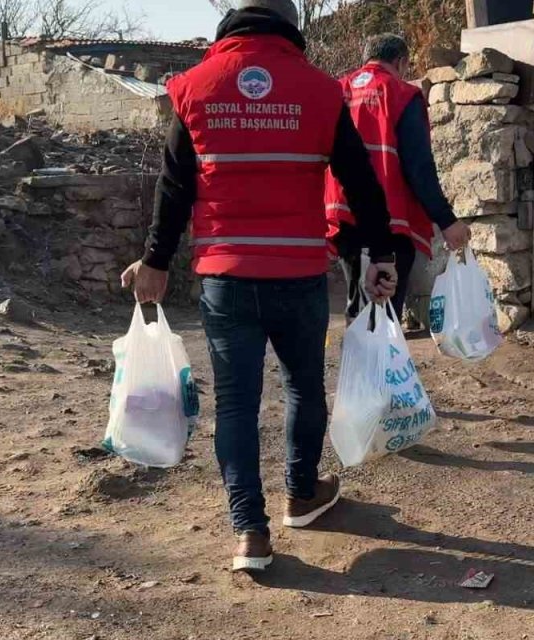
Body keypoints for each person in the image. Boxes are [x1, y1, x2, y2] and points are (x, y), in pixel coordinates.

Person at [119, 0, 398, 573]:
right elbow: (361, 182)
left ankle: (250, 531)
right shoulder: (321, 90)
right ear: (291, 25)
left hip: (225, 276)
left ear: (232, 23)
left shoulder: (194, 86)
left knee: (239, 405)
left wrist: (154, 261)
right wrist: (380, 255)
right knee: (302, 388)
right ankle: (301, 493)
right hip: (299, 272)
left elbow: (174, 187)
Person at [325, 33, 471, 322]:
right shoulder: (401, 95)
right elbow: (419, 167)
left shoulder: (335, 90)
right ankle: (378, 366)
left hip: (342, 218)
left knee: (359, 308)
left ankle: (360, 363)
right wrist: (446, 220)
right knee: (383, 312)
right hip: (388, 222)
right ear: (401, 62)